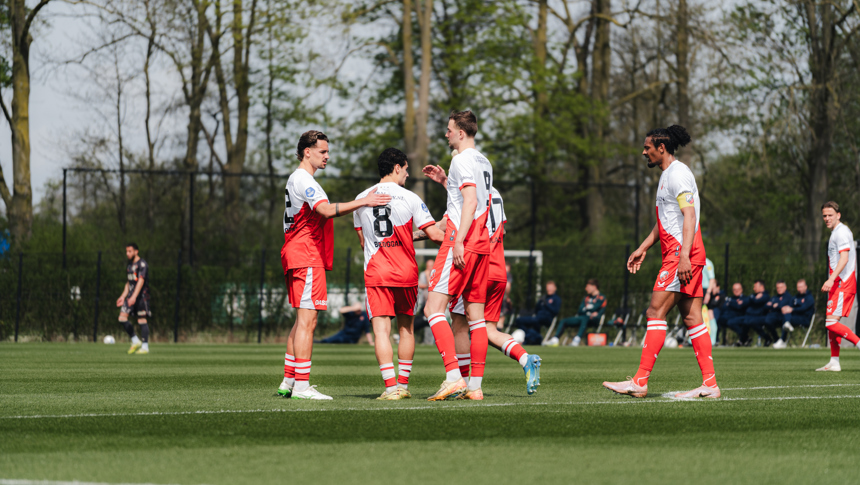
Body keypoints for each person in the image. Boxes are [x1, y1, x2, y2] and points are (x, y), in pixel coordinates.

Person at [603, 125, 720, 399]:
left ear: (662, 148)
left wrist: (682, 258)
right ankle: (710, 384)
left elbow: (689, 217)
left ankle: (640, 381)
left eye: (647, 148)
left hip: (682, 254)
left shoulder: (677, 175)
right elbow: (665, 221)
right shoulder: (667, 175)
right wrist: (643, 247)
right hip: (684, 253)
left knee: (655, 312)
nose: (644, 152)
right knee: (693, 318)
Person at [277, 130, 391, 401]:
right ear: (307, 151)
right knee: (308, 320)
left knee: (301, 320)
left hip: (300, 253)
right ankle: (302, 387)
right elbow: (325, 210)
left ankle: (289, 380)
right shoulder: (304, 179)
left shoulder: (299, 178)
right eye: (322, 151)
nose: (327, 156)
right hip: (306, 254)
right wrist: (364, 201)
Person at [417, 183, 542, 397]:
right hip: (498, 269)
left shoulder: (466, 194)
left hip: (475, 264)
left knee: (460, 326)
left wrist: (411, 235)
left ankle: (466, 383)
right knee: (487, 329)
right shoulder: (495, 193)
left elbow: (446, 224)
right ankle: (524, 358)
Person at [353, 147, 444, 400]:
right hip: (406, 273)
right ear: (396, 168)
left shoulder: (361, 198)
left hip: (377, 273)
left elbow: (364, 242)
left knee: (381, 332)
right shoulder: (411, 198)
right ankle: (403, 385)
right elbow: (435, 234)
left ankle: (391, 388)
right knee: (406, 330)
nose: (407, 174)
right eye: (405, 169)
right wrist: (458, 238)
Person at [421, 110, 494, 401]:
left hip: (462, 238)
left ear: (461, 133)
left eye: (449, 130)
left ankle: (453, 377)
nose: (447, 134)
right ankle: (474, 386)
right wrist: (445, 181)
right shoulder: (483, 160)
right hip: (484, 242)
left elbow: (470, 200)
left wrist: (459, 241)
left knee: (432, 309)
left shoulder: (461, 159)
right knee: (476, 319)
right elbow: (470, 197)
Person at [816, 201, 860, 371]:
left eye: (830, 215)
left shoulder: (841, 233)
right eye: (824, 216)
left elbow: (844, 258)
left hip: (843, 283)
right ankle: (834, 361)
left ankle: (858, 343)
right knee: (831, 322)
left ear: (838, 215)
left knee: (830, 322)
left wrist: (830, 279)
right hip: (837, 284)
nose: (827, 219)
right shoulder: (836, 232)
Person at [547, 279, 606, 347]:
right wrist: (589, 310)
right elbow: (580, 310)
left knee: (585, 318)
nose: (586, 289)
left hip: (594, 320)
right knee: (564, 321)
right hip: (581, 318)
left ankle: (576, 340)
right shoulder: (586, 298)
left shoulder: (601, 297)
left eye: (588, 287)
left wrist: (587, 309)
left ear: (594, 287)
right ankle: (555, 339)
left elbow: (595, 308)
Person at [116, 242, 151, 355]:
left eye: (130, 251)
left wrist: (134, 297)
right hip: (131, 297)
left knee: (142, 320)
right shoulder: (129, 266)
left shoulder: (142, 264)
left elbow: (140, 281)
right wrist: (123, 296)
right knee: (122, 318)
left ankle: (145, 347)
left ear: (136, 251)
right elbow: (129, 283)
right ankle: (135, 341)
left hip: (141, 298)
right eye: (126, 251)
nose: (127, 253)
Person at [773, 279, 814, 349]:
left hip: (804, 319)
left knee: (786, 317)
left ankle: (783, 340)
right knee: (785, 315)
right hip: (794, 317)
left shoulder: (809, 298)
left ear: (805, 287)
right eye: (798, 287)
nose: (799, 289)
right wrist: (784, 308)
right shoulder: (795, 297)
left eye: (801, 287)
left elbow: (803, 308)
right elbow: (789, 306)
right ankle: (785, 330)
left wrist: (792, 309)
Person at [728, 280, 770, 346]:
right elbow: (744, 302)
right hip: (747, 316)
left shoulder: (765, 296)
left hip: (757, 316)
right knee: (731, 322)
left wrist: (751, 299)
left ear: (761, 287)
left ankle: (767, 338)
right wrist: (752, 298)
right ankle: (745, 338)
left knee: (750, 322)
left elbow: (756, 301)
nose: (754, 288)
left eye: (755, 287)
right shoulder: (753, 295)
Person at [762, 280, 792, 344]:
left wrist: (774, 305)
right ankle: (776, 339)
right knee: (767, 320)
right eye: (778, 288)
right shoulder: (774, 297)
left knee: (785, 321)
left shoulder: (788, 297)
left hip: (784, 317)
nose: (779, 289)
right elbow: (765, 306)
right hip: (774, 316)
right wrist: (774, 305)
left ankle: (782, 340)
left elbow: (783, 305)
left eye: (781, 287)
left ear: (785, 287)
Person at [703, 279, 725, 344]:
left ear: (718, 287)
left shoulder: (721, 295)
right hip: (709, 314)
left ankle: (713, 340)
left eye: (713, 288)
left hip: (718, 314)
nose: (712, 290)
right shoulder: (709, 295)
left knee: (712, 313)